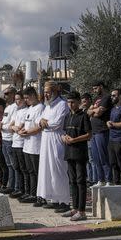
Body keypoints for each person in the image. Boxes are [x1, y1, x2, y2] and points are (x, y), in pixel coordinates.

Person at [36, 81, 71, 212]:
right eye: (45, 92)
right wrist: (42, 122)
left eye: (48, 92)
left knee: (58, 169)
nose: (46, 94)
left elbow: (57, 123)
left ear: (56, 91)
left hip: (56, 139)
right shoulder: (47, 106)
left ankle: (64, 201)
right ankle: (54, 199)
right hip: (46, 139)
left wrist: (44, 122)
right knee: (48, 170)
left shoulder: (62, 104)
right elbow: (38, 120)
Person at [61, 91, 92, 221]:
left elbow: (89, 135)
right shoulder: (67, 116)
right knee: (72, 181)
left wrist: (74, 140)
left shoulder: (83, 116)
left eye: (73, 102)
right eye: (68, 102)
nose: (70, 104)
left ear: (78, 102)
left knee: (81, 181)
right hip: (69, 152)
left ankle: (82, 210)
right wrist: (63, 138)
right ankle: (74, 207)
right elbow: (63, 133)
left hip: (80, 152)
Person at [18, 87, 44, 204]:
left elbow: (39, 127)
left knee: (36, 172)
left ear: (33, 95)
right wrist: (21, 131)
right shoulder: (30, 109)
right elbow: (26, 124)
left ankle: (38, 195)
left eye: (27, 98)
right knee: (29, 171)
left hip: (36, 145)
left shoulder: (40, 108)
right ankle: (30, 192)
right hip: (27, 145)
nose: (26, 100)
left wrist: (26, 132)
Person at [86, 81, 112, 185]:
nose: (94, 90)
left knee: (103, 156)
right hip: (94, 131)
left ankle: (109, 179)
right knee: (96, 158)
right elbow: (88, 111)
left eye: (96, 88)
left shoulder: (106, 97)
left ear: (101, 87)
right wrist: (93, 111)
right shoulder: (96, 99)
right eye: (93, 88)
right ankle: (100, 179)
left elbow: (99, 112)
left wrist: (94, 111)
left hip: (102, 130)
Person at [106, 88, 121, 186]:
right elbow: (111, 122)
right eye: (111, 95)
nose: (112, 97)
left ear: (120, 96)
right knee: (113, 163)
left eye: (114, 95)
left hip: (120, 139)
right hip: (111, 139)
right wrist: (108, 122)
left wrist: (113, 124)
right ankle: (116, 184)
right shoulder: (112, 109)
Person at [8, 92, 29, 199]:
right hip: (15, 142)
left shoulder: (26, 111)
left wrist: (14, 128)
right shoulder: (17, 111)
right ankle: (19, 188)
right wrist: (14, 128)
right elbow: (10, 126)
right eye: (16, 99)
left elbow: (20, 127)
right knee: (16, 167)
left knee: (23, 168)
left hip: (22, 143)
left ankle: (25, 190)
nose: (17, 101)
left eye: (19, 99)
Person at [0, 87, 18, 193]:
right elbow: (4, 121)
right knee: (8, 164)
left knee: (13, 165)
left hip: (10, 139)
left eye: (7, 93)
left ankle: (14, 186)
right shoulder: (7, 108)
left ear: (13, 94)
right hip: (4, 138)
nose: (5, 96)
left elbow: (11, 124)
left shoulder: (15, 107)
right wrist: (1, 125)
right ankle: (10, 185)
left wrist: (2, 126)